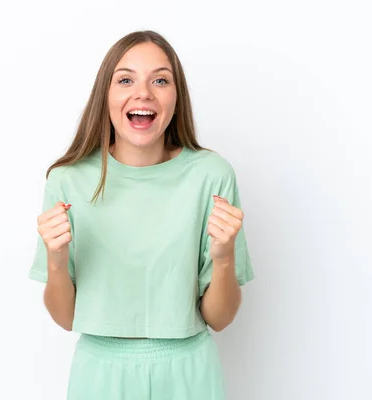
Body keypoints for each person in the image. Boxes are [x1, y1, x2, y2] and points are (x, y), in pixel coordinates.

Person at [28, 30, 255, 400]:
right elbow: (67, 318)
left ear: (176, 98)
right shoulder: (67, 181)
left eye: (160, 80)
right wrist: (55, 259)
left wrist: (224, 258)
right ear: (107, 95)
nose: (143, 93)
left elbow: (220, 318)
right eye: (126, 79)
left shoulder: (212, 176)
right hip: (99, 374)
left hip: (189, 373)